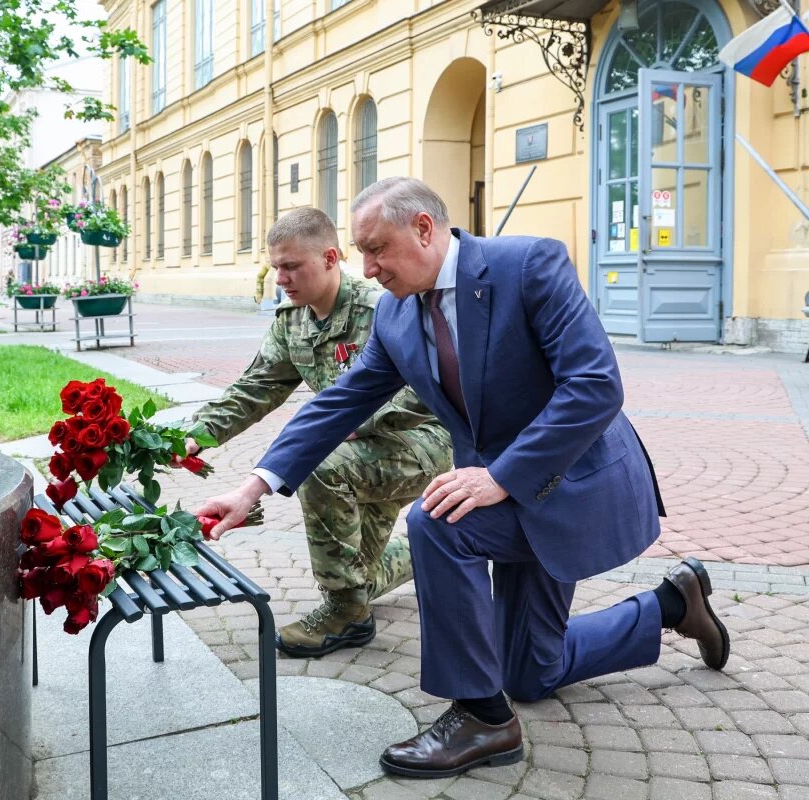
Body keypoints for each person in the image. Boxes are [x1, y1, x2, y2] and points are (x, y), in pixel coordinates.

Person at [197, 177, 729, 779]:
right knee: (531, 673)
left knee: (440, 521)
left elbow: (595, 385)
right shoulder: (398, 315)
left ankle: (481, 717)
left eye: (376, 249)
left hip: (570, 480)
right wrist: (253, 487)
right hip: (505, 492)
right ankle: (670, 604)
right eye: (361, 252)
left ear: (424, 228)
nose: (366, 268)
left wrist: (500, 477)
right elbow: (338, 403)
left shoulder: (527, 264)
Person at [186, 207, 451, 657]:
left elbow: (426, 389)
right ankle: (422, 560)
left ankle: (346, 615)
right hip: (353, 451)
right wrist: (197, 435)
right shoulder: (293, 323)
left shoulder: (383, 306)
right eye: (276, 269)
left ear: (330, 258)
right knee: (356, 567)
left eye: (292, 267)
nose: (282, 279)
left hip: (419, 442)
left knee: (318, 466)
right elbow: (256, 388)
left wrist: (356, 422)